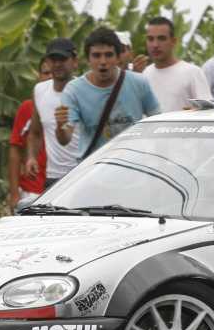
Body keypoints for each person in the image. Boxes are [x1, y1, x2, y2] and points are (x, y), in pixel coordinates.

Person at [57, 28, 159, 160]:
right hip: (93, 168)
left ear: (118, 58)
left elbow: (157, 120)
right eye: (96, 55)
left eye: (109, 55)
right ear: (88, 59)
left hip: (133, 165)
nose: (103, 61)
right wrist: (60, 127)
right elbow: (65, 139)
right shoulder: (74, 90)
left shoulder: (139, 82)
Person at [26, 38, 80, 189]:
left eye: (62, 59)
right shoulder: (40, 90)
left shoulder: (85, 90)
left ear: (75, 62)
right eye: (53, 59)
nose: (57, 64)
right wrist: (31, 157)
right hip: (53, 178)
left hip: (82, 175)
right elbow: (35, 132)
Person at [132, 16, 212, 112]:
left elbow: (209, 111)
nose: (155, 45)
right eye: (150, 39)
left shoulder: (192, 72)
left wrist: (196, 112)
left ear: (173, 41)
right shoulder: (144, 74)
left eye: (161, 38)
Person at [8, 59, 52, 213]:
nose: (49, 77)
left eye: (53, 73)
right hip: (31, 191)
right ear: (39, 76)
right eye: (46, 73)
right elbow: (15, 151)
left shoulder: (71, 105)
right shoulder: (27, 108)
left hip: (61, 189)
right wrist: (14, 194)